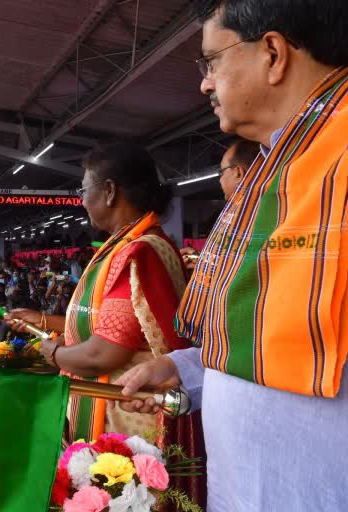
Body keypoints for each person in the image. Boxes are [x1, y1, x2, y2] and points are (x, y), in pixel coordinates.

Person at [116, 1, 348, 510]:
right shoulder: (274, 173)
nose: (204, 84)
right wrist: (191, 369)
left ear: (272, 53)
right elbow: (288, 337)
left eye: (211, 60)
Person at [5, 141, 202, 452]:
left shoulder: (137, 251)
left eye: (84, 191)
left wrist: (52, 353)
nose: (82, 201)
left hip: (125, 418)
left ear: (110, 191)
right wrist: (41, 320)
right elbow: (105, 323)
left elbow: (103, 353)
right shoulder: (122, 245)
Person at [180, 138, 259, 270]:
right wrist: (199, 259)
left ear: (238, 173)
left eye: (222, 172)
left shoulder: (248, 215)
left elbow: (243, 269)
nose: (220, 180)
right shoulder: (243, 210)